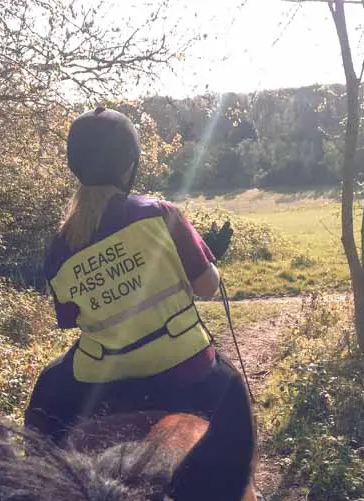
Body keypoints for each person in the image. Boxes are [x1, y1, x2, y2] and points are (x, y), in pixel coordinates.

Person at [24, 107, 249, 445]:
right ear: (130, 164)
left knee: (46, 396)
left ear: (76, 167)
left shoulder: (60, 243)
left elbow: (72, 319)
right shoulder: (160, 214)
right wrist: (205, 258)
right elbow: (207, 287)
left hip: (99, 381)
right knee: (234, 395)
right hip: (186, 367)